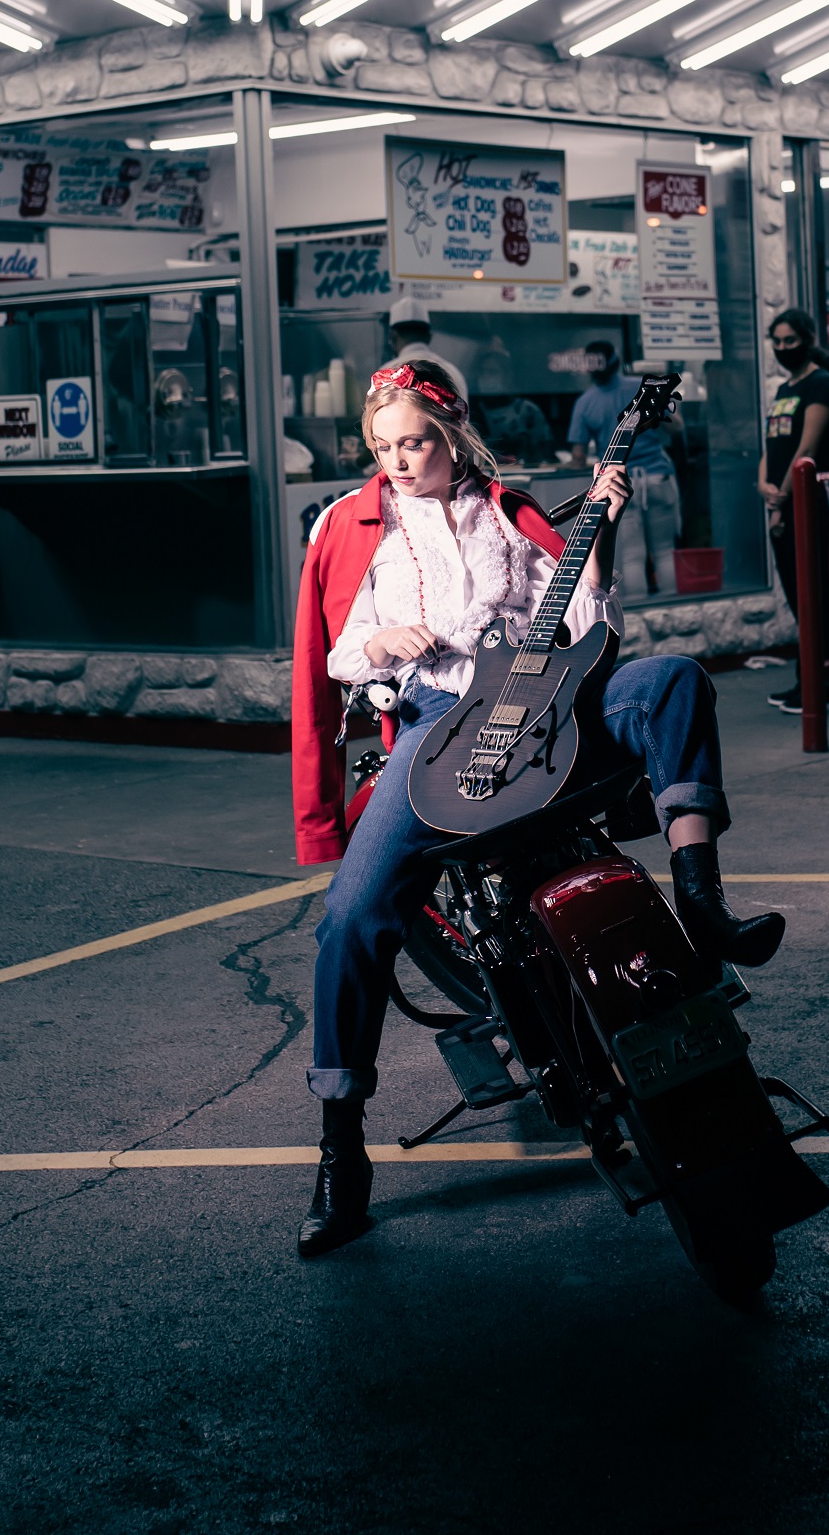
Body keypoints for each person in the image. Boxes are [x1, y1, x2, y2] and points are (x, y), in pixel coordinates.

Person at [290, 358, 783, 1257]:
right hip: (439, 720)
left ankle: (701, 897)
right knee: (350, 919)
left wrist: (597, 539)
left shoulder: (509, 515)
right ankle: (340, 1144)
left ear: (454, 435)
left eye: (417, 443)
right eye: (385, 447)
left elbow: (589, 624)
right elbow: (333, 653)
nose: (400, 460)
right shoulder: (358, 531)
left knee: (670, 680)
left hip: (539, 693)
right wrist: (378, 642)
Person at [758, 308, 829, 714]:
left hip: (809, 504)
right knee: (796, 594)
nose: (782, 348)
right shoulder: (783, 390)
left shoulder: (820, 384)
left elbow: (806, 449)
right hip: (783, 506)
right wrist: (764, 486)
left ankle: (823, 685)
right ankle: (808, 679)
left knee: (816, 594)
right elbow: (771, 447)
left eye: (790, 340)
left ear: (807, 339)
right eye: (776, 340)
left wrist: (782, 496)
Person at [568, 339, 680, 595]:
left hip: (618, 484)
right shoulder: (641, 389)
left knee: (631, 555)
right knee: (665, 551)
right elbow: (677, 427)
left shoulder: (585, 402)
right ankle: (671, 606)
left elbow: (577, 456)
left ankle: (641, 613)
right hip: (657, 477)